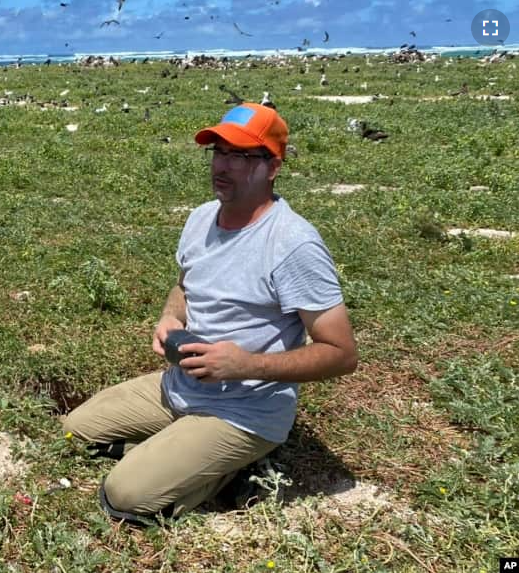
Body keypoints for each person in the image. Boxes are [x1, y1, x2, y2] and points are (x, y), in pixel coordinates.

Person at [63, 103, 358, 521]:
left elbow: (342, 354)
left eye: (239, 156)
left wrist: (246, 364)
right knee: (75, 431)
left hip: (245, 411)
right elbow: (184, 285)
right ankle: (182, 451)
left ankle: (237, 465)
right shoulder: (201, 218)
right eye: (218, 152)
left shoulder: (293, 244)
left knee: (124, 496)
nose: (223, 165)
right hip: (181, 386)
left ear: (273, 166)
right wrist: (171, 317)